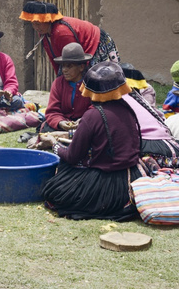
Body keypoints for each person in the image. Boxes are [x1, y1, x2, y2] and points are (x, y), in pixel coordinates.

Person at [42, 62, 142, 221]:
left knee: (54, 190)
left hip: (106, 182)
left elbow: (72, 156)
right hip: (131, 178)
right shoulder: (127, 109)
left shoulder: (92, 116)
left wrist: (54, 144)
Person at [19, 1, 120, 76]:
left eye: (38, 24)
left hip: (96, 43)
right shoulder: (43, 32)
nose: (36, 27)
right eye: (33, 24)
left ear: (48, 20)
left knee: (98, 78)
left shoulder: (62, 32)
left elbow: (73, 61)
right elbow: (55, 59)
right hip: (79, 51)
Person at [38, 42, 93, 133]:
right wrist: (60, 122)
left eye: (69, 66)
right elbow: (52, 111)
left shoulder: (91, 83)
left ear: (81, 67)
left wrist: (83, 120)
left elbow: (95, 107)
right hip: (63, 123)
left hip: (85, 123)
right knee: (47, 127)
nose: (64, 70)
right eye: (63, 66)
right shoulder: (58, 83)